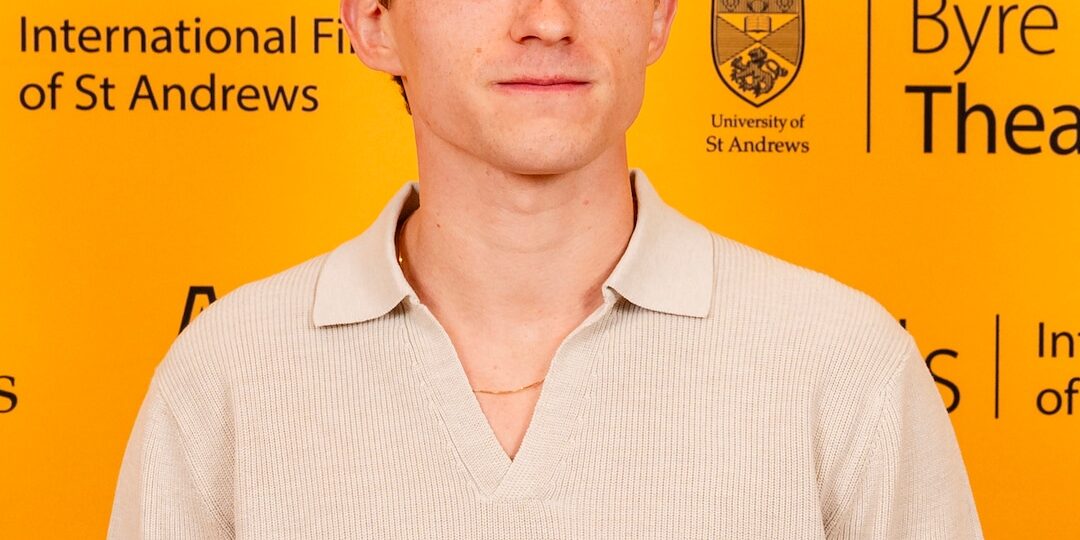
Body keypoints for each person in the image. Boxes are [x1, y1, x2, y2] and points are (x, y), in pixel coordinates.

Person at [107, 0, 984, 537]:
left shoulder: (842, 365)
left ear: (658, 17)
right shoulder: (226, 376)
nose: (549, 22)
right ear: (374, 23)